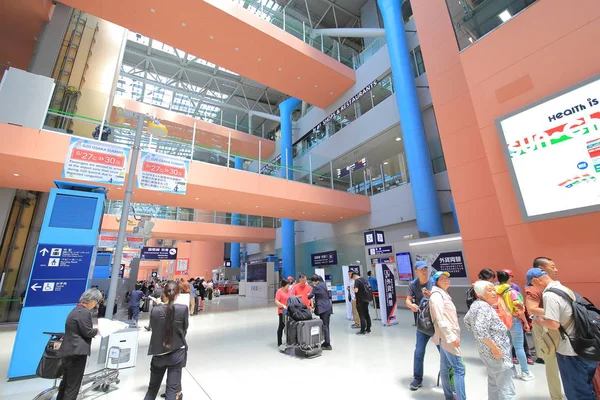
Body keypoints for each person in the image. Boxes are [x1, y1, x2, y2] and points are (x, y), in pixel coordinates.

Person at [527, 268, 598, 400]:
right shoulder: (565, 289)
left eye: (533, 284)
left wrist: (539, 321)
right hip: (586, 345)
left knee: (576, 392)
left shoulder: (549, 295)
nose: (534, 287)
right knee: (587, 387)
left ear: (537, 280)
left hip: (570, 350)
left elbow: (554, 324)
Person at [464, 281, 516, 400]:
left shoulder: (476, 305)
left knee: (494, 383)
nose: (494, 293)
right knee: (506, 388)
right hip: (497, 354)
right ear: (480, 294)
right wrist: (494, 348)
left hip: (487, 353)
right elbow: (481, 330)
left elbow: (467, 321)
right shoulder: (484, 307)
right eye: (489, 290)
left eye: (494, 290)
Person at [525, 257, 563, 400]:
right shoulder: (534, 288)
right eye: (552, 267)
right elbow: (531, 308)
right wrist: (555, 310)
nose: (556, 270)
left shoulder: (553, 286)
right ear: (541, 269)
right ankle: (556, 396)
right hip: (546, 327)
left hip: (555, 325)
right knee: (552, 364)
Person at [144, 281, 188, 400]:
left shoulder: (155, 310)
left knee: (152, 389)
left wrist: (159, 306)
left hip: (159, 353)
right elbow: (185, 329)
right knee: (171, 390)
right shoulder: (183, 309)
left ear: (164, 293)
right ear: (177, 294)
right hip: (176, 353)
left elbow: (154, 328)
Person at [57, 289, 103, 400]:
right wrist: (99, 330)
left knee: (66, 383)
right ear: (92, 300)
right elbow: (87, 332)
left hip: (68, 351)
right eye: (96, 302)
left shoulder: (75, 310)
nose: (95, 305)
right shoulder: (84, 312)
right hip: (77, 353)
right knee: (73, 386)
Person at [429, 271, 466, 400]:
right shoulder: (437, 296)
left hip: (444, 336)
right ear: (437, 281)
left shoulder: (443, 294)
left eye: (447, 278)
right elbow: (440, 319)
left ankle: (449, 396)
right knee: (459, 368)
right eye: (443, 279)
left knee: (445, 368)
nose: (446, 280)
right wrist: (451, 337)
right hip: (447, 336)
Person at [495, 270, 535, 381]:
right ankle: (525, 372)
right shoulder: (512, 292)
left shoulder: (493, 292)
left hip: (500, 322)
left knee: (505, 347)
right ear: (509, 278)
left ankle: (511, 371)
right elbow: (520, 310)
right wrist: (526, 323)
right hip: (514, 321)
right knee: (519, 347)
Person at [406, 260, 434, 391]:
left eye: (425, 269)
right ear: (416, 271)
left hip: (436, 325)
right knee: (419, 352)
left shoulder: (434, 282)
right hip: (422, 324)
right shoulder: (413, 284)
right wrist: (411, 305)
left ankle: (450, 380)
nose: (424, 271)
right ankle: (417, 378)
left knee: (445, 352)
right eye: (421, 269)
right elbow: (408, 299)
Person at [308, 275, 332, 350]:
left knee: (324, 326)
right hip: (328, 307)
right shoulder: (324, 284)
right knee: (327, 325)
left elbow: (310, 296)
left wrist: (307, 294)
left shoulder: (316, 287)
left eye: (312, 282)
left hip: (323, 308)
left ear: (315, 281)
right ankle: (327, 341)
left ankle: (327, 344)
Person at [274, 279, 291, 347]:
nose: (288, 286)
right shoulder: (279, 291)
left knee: (289, 326)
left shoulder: (289, 291)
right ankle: (279, 342)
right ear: (284, 285)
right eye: (287, 285)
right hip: (282, 311)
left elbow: (292, 297)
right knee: (281, 326)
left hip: (289, 311)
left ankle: (289, 340)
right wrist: (282, 305)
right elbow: (276, 301)